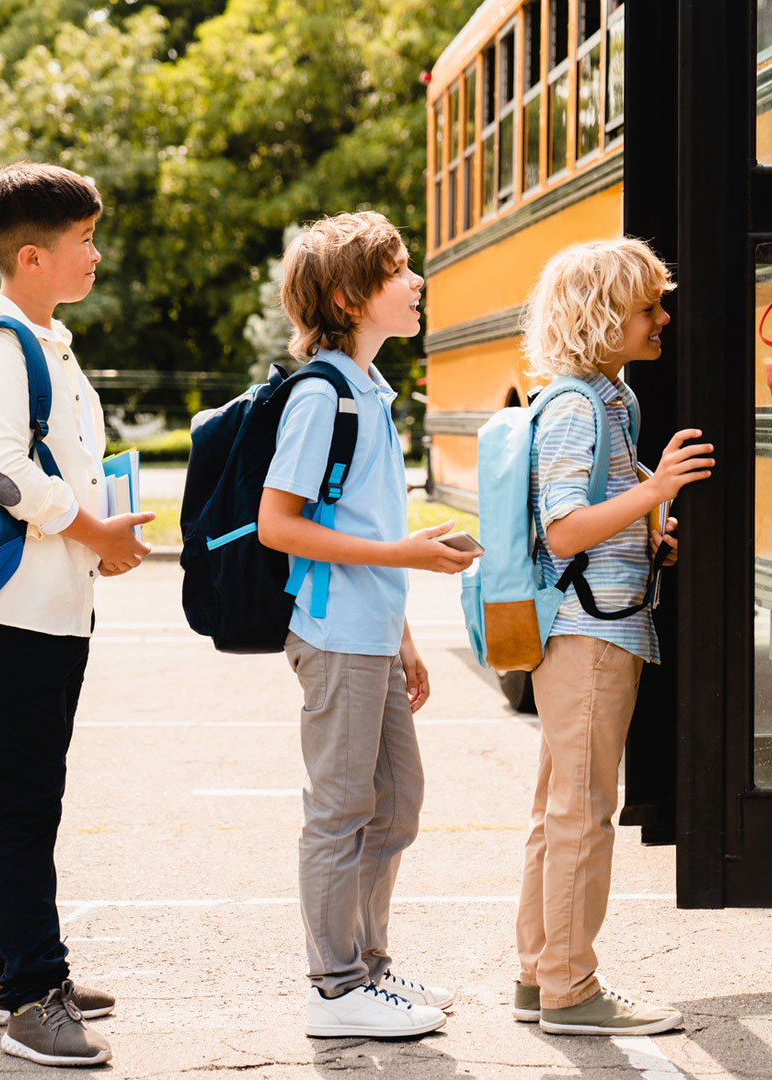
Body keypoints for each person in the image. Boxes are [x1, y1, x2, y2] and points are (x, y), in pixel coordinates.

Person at [0, 162, 154, 1068]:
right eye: (84, 242)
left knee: (17, 795)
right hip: (10, 613)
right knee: (27, 800)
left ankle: (10, 972)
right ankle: (34, 993)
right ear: (31, 256)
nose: (96, 255)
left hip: (42, 608)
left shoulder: (43, 341)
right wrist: (94, 527)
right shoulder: (0, 351)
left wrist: (98, 532)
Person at [254, 211, 476, 1039]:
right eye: (399, 271)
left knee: (396, 806)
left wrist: (406, 631)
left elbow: (365, 525)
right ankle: (334, 987)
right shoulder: (323, 395)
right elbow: (280, 524)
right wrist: (402, 557)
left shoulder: (368, 389)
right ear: (350, 296)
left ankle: (368, 969)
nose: (416, 282)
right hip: (336, 637)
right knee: (342, 810)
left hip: (373, 635)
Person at [509, 238, 712, 1036]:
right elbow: (563, 531)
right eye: (647, 307)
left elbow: (597, 520)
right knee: (582, 814)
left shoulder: (610, 400)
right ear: (601, 317)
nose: (662, 319)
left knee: (559, 808)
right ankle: (570, 989)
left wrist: (650, 526)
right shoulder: (573, 407)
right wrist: (656, 490)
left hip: (599, 625)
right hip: (587, 635)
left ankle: (538, 976)